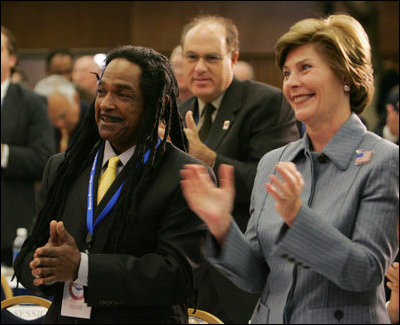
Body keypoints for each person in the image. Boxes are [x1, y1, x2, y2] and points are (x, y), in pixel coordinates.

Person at [180, 14, 399, 324]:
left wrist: (298, 217)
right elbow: (255, 277)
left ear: (346, 75)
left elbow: (364, 273)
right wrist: (222, 227)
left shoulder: (384, 160)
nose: (292, 83)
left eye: (305, 68)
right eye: (286, 73)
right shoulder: (273, 162)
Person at [13, 45, 211, 324]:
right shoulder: (63, 167)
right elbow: (27, 257)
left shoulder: (185, 175)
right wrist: (42, 267)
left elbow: (178, 276)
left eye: (123, 94)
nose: (106, 104)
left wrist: (83, 268)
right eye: (101, 91)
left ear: (159, 105)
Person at [178, 14, 300, 323]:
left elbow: (271, 186)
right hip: (187, 275)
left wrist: (209, 158)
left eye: (211, 58)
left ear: (233, 58)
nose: (199, 67)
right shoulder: (180, 111)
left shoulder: (266, 103)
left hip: (240, 275)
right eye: (191, 57)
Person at [1, 26, 56, 267]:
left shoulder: (31, 103)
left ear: (12, 58)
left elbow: (44, 158)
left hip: (8, 226)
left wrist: (4, 153)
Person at [34, 74, 89, 152]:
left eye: (63, 116)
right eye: (52, 120)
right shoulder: (46, 130)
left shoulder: (95, 124)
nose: (59, 124)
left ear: (75, 99)